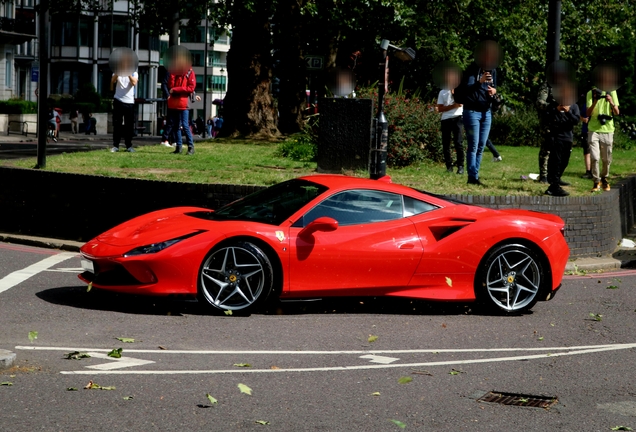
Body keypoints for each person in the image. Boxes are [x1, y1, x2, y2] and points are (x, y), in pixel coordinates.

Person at [456, 40, 500, 186]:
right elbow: (466, 90)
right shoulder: (471, 70)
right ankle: (472, 177)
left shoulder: (493, 70)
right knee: (473, 145)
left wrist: (494, 91)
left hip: (486, 112)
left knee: (481, 145)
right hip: (472, 111)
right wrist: (480, 81)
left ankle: (475, 174)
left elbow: (494, 88)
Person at [586, 65, 620, 192]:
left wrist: (611, 101)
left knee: (606, 159)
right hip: (593, 129)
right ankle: (596, 181)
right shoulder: (591, 93)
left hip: (607, 129)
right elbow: (588, 113)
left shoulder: (612, 92)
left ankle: (605, 178)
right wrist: (595, 100)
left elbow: (616, 112)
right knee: (595, 157)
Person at [544, 81, 580, 196]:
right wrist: (557, 110)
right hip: (556, 137)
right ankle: (553, 185)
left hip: (567, 138)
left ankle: (556, 179)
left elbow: (576, 120)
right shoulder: (554, 105)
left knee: (565, 161)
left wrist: (568, 111)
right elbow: (547, 118)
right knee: (556, 161)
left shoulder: (574, 106)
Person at [166, 47, 196, 155]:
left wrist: (176, 90)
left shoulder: (189, 72)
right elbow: (170, 85)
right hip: (175, 102)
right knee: (176, 125)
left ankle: (190, 147)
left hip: (183, 102)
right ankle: (179, 146)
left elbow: (190, 88)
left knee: (185, 125)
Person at [436, 66, 464, 174]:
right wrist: (453, 106)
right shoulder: (442, 92)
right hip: (446, 119)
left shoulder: (460, 89)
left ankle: (460, 166)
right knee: (446, 144)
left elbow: (460, 103)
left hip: (457, 117)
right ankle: (449, 166)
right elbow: (440, 108)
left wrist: (454, 94)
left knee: (458, 142)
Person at [110, 53, 138, 153]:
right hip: (118, 100)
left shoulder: (134, 72)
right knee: (117, 124)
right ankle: (115, 145)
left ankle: (129, 145)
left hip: (129, 102)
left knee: (129, 125)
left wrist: (128, 73)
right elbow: (112, 82)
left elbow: (134, 83)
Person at [579, 99, 592, 178]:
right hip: (586, 130)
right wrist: (583, 119)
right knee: (587, 151)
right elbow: (579, 115)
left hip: (595, 130)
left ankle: (594, 170)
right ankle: (588, 171)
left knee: (594, 152)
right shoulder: (585, 104)